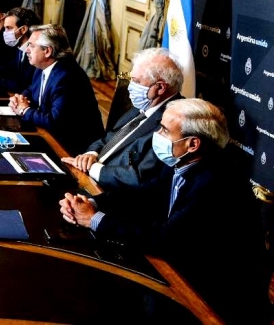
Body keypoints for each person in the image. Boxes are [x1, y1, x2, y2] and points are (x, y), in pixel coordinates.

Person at [59, 99, 271, 323]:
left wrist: (95, 220)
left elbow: (166, 239)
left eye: (164, 130)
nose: (156, 135)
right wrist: (95, 204)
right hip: (186, 266)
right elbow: (146, 193)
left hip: (216, 295)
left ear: (192, 144)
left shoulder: (215, 182)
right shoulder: (185, 162)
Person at [62, 48, 183, 189]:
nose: (130, 87)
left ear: (160, 88)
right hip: (89, 176)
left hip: (111, 194)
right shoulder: (145, 104)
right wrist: (90, 154)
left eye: (136, 81)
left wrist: (93, 168)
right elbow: (110, 137)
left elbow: (139, 177)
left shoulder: (173, 123)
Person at [9, 24, 103, 155]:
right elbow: (32, 89)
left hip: (72, 148)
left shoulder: (67, 77)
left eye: (32, 45)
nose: (27, 50)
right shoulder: (43, 65)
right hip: (50, 135)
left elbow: (54, 122)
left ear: (47, 51)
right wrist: (20, 98)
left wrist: (24, 110)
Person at [0, 6, 39, 93]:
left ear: (23, 29)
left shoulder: (35, 53)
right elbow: (9, 68)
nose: (5, 32)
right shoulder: (18, 48)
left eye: (9, 28)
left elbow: (22, 86)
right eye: (5, 28)